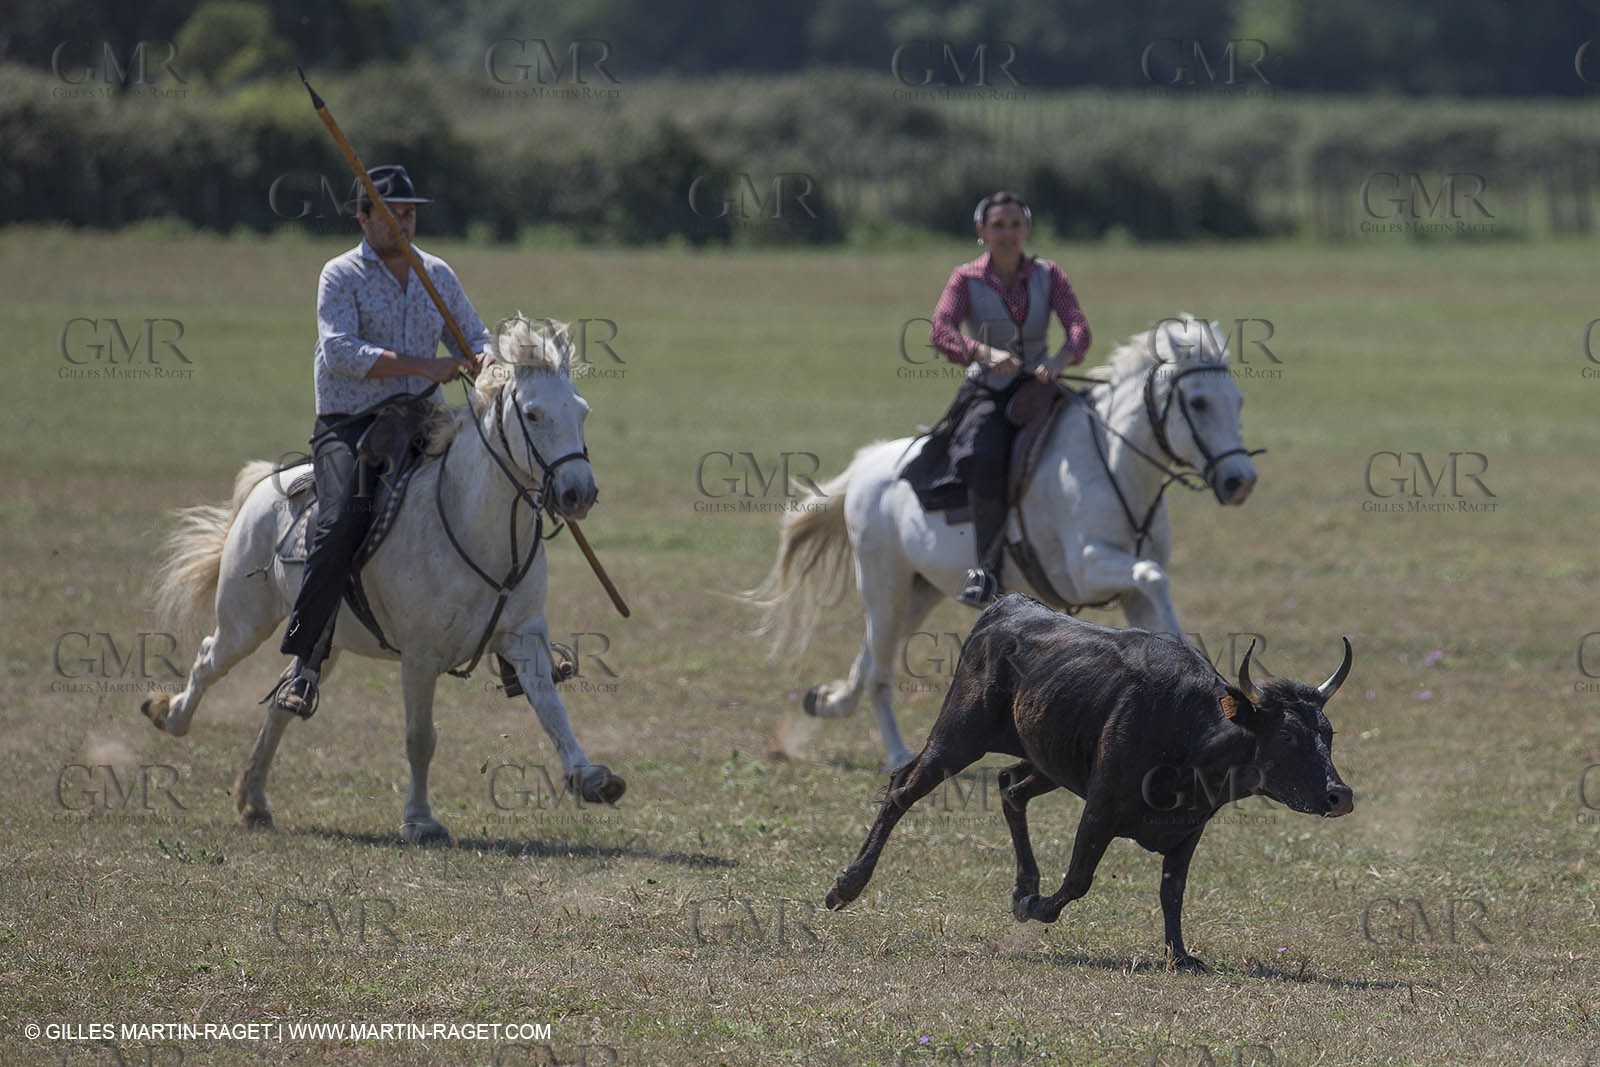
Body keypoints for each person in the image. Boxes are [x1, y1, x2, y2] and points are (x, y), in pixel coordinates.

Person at [267, 164, 494, 717]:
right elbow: (340, 352)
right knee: (343, 516)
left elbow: (474, 333)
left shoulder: (436, 273)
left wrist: (485, 360)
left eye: (411, 214)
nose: (404, 224)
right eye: (392, 214)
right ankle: (305, 661)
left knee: (498, 485)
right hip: (353, 424)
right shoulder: (339, 275)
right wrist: (427, 365)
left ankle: (513, 642)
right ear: (363, 218)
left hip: (422, 419)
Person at [928, 191, 1093, 607]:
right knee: (983, 454)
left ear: (1027, 229)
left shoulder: (1048, 274)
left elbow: (1077, 326)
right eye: (998, 225)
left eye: (1015, 225)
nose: (1007, 233)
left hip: (1041, 386)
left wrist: (1059, 359)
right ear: (981, 231)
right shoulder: (965, 279)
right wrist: (983, 353)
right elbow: (942, 329)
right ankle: (986, 568)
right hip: (990, 390)